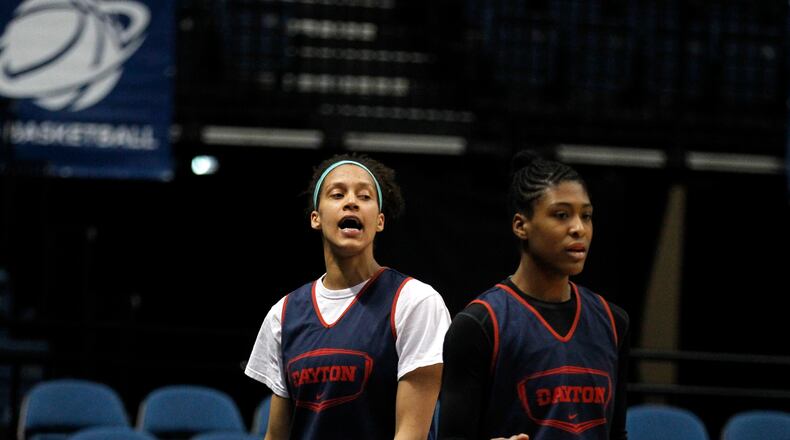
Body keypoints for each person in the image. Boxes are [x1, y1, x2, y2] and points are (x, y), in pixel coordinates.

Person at [245, 154, 451, 440]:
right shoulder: (283, 314)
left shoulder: (415, 302)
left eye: (364, 196)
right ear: (316, 218)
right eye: (337, 194)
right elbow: (277, 435)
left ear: (379, 221)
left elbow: (410, 434)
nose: (351, 201)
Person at [439, 151, 629, 440]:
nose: (578, 228)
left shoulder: (613, 321)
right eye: (561, 215)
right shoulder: (479, 324)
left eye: (586, 216)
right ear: (520, 225)